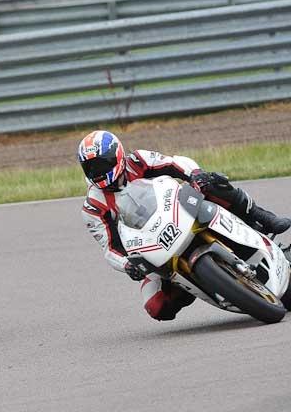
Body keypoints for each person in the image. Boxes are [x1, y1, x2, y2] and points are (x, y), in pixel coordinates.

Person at [78, 130, 291, 321]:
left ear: (116, 156)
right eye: (90, 167)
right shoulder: (93, 207)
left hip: (177, 210)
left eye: (101, 164)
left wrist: (195, 174)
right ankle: (199, 284)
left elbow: (176, 163)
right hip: (151, 248)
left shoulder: (138, 159)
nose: (96, 171)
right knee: (157, 307)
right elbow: (110, 248)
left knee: (211, 182)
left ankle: (261, 215)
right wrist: (127, 265)